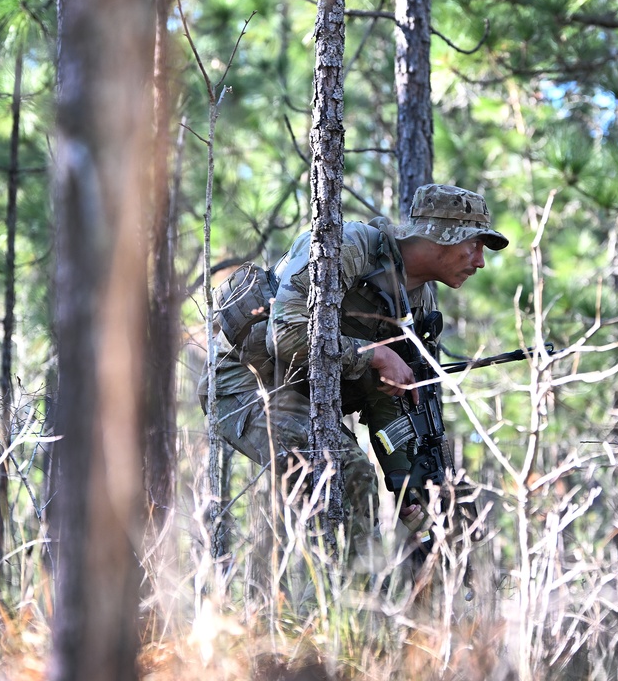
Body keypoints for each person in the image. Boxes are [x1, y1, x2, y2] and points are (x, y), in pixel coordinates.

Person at [199, 184, 508, 553]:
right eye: (474, 245)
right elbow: (285, 337)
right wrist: (374, 354)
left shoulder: (419, 302)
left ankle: (364, 598)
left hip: (301, 393)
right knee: (344, 474)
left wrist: (408, 482)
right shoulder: (350, 246)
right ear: (442, 236)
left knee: (372, 486)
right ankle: (340, 603)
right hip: (243, 383)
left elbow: (393, 398)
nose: (480, 261)